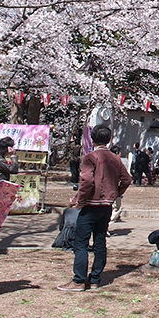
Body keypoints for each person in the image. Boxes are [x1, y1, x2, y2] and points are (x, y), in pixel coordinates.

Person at [57, 124, 131, 291]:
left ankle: (79, 280)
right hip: (106, 207)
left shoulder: (90, 157)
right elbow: (127, 179)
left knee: (81, 243)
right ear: (109, 139)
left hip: (90, 206)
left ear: (92, 139)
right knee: (100, 242)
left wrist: (79, 200)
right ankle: (95, 278)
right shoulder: (115, 158)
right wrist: (115, 193)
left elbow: (87, 181)